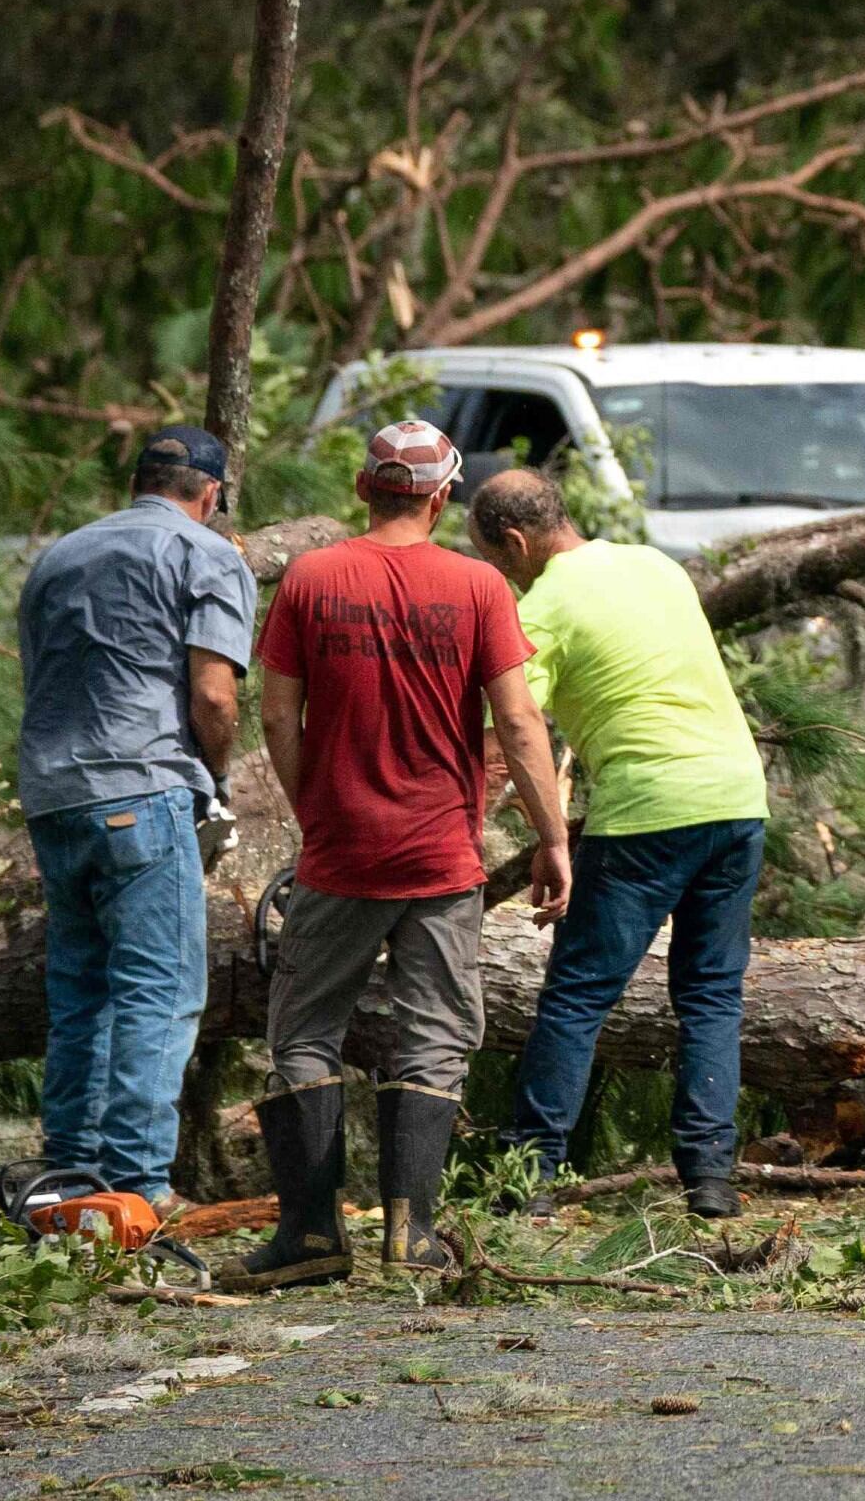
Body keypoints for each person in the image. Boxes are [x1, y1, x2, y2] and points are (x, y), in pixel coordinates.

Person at [219, 417, 573, 1291]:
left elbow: (274, 716)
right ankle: (410, 1235)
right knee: (437, 1037)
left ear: (363, 486)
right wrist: (554, 836)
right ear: (444, 495)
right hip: (439, 854)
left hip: (341, 854)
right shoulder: (478, 587)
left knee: (304, 1031)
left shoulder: (310, 578)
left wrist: (319, 814)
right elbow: (520, 723)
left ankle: (309, 1236)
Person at [465, 468, 770, 1220]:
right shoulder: (654, 564)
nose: (506, 576)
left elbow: (510, 732)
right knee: (710, 994)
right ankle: (710, 1179)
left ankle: (529, 1177)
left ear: (515, 540)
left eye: (502, 561)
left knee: (576, 995)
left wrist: (506, 833)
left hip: (648, 812)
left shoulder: (543, 608)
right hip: (737, 798)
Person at [11, 423, 256, 1237]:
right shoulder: (206, 553)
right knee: (161, 988)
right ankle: (139, 1186)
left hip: (54, 795)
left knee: (81, 990)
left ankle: (67, 1180)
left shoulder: (59, 556)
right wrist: (216, 781)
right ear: (210, 495)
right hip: (142, 787)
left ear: (136, 482)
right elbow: (214, 695)